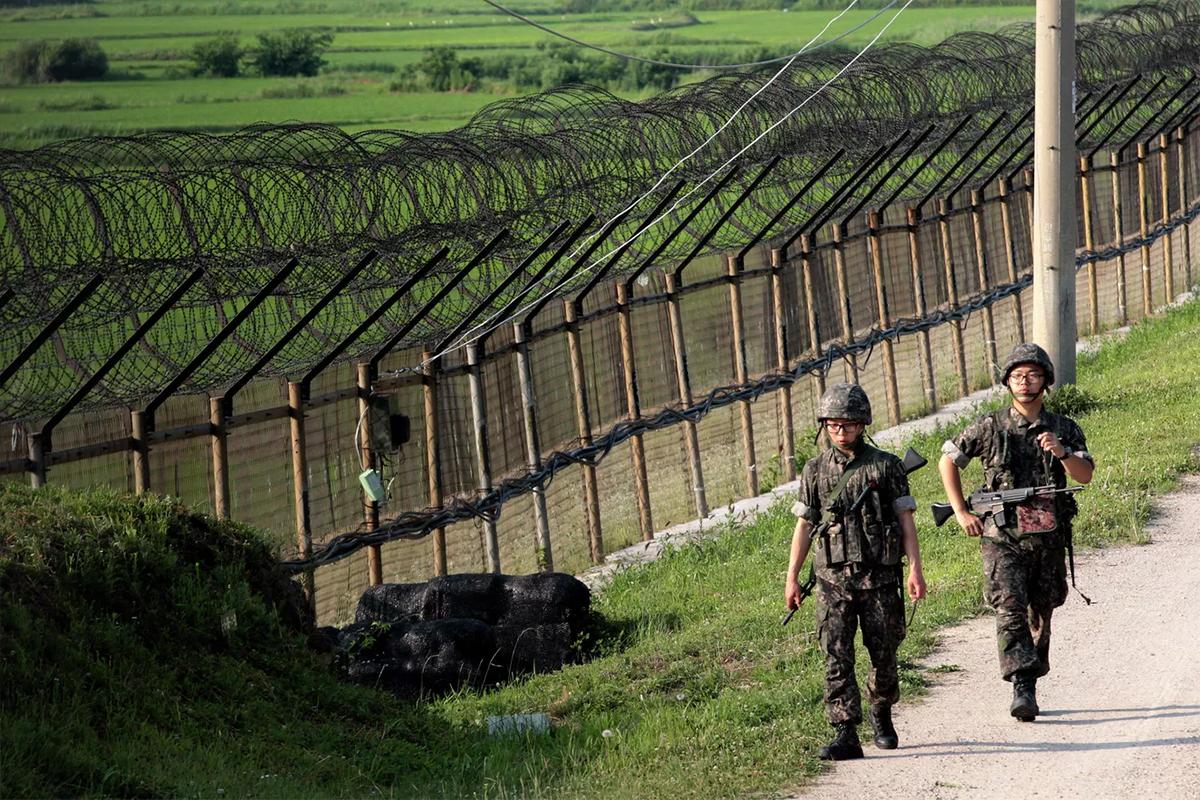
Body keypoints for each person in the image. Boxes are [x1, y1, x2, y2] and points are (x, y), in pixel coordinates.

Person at [937, 343, 1094, 721]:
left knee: (1043, 608)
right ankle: (1022, 684)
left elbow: (1084, 475)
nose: (1025, 383)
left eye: (1033, 375)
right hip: (1001, 536)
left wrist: (1062, 453)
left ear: (1046, 381)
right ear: (1007, 382)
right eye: (1018, 376)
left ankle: (1032, 676)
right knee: (1008, 606)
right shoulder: (990, 426)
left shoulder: (1063, 428)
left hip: (1048, 536)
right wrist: (960, 511)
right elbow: (949, 459)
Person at [785, 383, 927, 760]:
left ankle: (881, 712)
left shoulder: (887, 465)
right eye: (833, 425)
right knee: (836, 655)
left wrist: (915, 570)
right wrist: (791, 578)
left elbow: (905, 520)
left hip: (879, 578)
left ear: (862, 424)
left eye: (847, 424)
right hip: (833, 581)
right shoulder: (814, 471)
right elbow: (804, 526)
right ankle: (845, 731)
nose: (840, 431)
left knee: (884, 653)